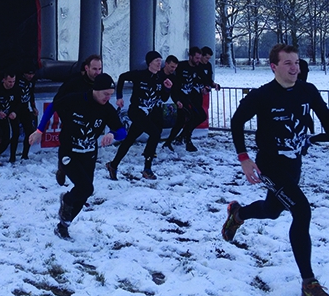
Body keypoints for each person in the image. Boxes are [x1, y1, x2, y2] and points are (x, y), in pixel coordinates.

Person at [221, 44, 329, 296]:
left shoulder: (307, 90)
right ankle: (309, 284)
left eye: (297, 63)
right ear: (274, 67)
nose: (294, 68)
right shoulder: (262, 95)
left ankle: (238, 214)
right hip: (270, 165)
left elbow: (325, 115)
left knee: (272, 210)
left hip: (293, 163)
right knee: (302, 211)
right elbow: (236, 121)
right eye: (288, 63)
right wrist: (244, 158)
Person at [37, 73, 126, 239]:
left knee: (84, 192)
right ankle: (67, 198)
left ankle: (63, 226)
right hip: (69, 152)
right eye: (105, 94)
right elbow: (53, 107)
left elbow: (122, 132)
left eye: (110, 95)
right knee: (86, 187)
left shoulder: (107, 109)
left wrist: (113, 135)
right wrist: (40, 130)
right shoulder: (76, 99)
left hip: (88, 154)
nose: (108, 98)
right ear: (96, 89)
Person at [31, 54, 103, 185]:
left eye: (99, 69)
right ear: (86, 68)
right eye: (94, 69)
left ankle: (83, 191)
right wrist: (40, 129)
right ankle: (63, 167)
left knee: (88, 166)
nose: (97, 72)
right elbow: (55, 103)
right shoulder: (74, 83)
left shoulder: (101, 83)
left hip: (90, 127)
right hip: (72, 121)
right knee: (70, 152)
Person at [105, 51, 172, 180]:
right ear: (149, 63)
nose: (159, 63)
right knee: (155, 134)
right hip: (136, 111)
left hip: (147, 114)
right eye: (156, 61)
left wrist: (168, 89)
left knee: (129, 140)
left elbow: (163, 98)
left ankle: (113, 164)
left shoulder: (161, 78)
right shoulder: (139, 75)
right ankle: (147, 168)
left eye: (160, 61)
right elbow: (122, 77)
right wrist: (119, 97)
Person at [162, 46, 207, 152]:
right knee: (185, 118)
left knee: (200, 116)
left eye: (199, 58)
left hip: (190, 96)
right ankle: (184, 140)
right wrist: (176, 99)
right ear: (190, 57)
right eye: (196, 58)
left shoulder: (198, 67)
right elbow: (173, 80)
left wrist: (209, 85)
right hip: (180, 96)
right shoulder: (181, 66)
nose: (198, 60)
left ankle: (180, 137)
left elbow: (204, 78)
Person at [17, 64, 39, 161]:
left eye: (32, 74)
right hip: (14, 108)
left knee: (29, 131)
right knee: (15, 133)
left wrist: (33, 107)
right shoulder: (18, 79)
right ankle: (12, 157)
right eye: (28, 74)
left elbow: (31, 94)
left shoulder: (32, 81)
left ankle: (25, 155)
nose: (30, 76)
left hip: (25, 108)